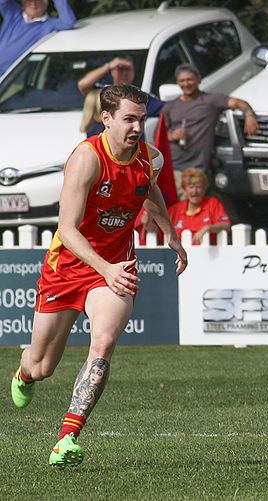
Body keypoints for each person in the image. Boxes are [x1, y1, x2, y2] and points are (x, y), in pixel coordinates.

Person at [10, 84, 188, 468]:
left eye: (141, 119)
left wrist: (170, 232)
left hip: (116, 267)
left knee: (103, 343)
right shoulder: (87, 159)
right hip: (69, 266)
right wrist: (102, 267)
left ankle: (67, 437)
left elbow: (150, 192)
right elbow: (68, 228)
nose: (137, 127)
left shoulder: (148, 158)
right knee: (42, 366)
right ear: (105, 118)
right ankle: (23, 371)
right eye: (128, 119)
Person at [162, 63, 259, 198]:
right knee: (177, 211)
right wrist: (172, 135)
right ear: (177, 83)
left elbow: (239, 103)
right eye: (182, 81)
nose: (186, 84)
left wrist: (249, 115)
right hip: (174, 168)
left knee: (194, 210)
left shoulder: (211, 100)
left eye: (189, 79)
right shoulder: (170, 106)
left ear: (198, 79)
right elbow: (159, 137)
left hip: (198, 168)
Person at [77, 56, 164, 135]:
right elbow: (82, 85)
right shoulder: (102, 92)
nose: (124, 73)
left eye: (128, 69)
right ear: (112, 71)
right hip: (101, 147)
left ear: (133, 71)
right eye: (120, 68)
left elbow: (168, 109)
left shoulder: (139, 97)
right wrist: (108, 66)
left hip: (133, 148)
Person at [0, 0, 76, 76]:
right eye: (29, 1)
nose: (33, 4)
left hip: (12, 78)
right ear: (23, 3)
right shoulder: (13, 14)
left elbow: (68, 22)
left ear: (45, 4)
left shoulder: (49, 24)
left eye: (38, 1)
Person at [168, 167, 231, 245]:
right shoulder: (175, 210)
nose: (194, 191)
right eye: (191, 187)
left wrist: (208, 228)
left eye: (198, 187)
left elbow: (226, 225)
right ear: (184, 189)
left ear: (204, 189)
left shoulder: (213, 204)